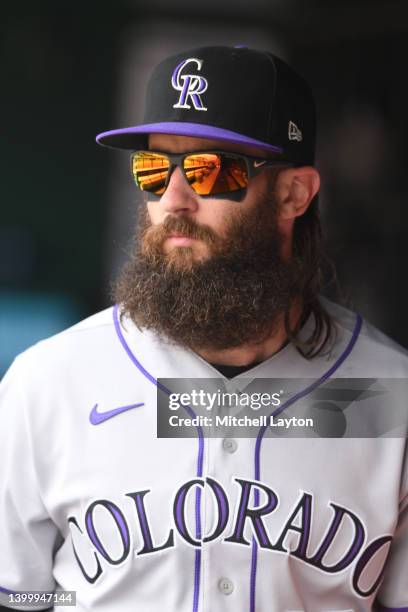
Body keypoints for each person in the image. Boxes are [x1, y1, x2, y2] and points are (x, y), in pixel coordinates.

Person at [0, 45, 407, 612]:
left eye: (210, 170)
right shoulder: (46, 386)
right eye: (153, 168)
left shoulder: (395, 397)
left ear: (294, 193)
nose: (173, 199)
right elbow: (22, 596)